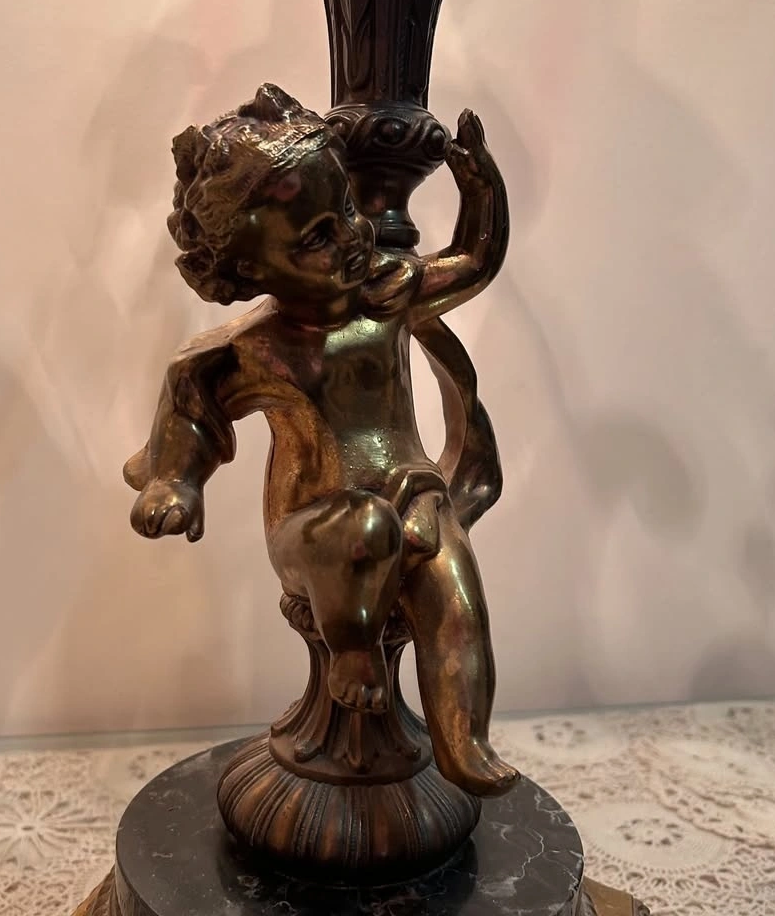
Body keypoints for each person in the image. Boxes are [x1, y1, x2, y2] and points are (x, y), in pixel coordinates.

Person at [124, 84, 516, 797]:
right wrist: (176, 481)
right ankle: (353, 652)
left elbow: (474, 261)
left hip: (414, 493)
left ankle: (466, 743)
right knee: (364, 529)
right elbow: (190, 397)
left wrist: (481, 188)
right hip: (317, 526)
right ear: (249, 272)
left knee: (456, 593)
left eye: (348, 211)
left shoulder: (389, 294)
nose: (353, 238)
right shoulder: (260, 348)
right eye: (317, 237)